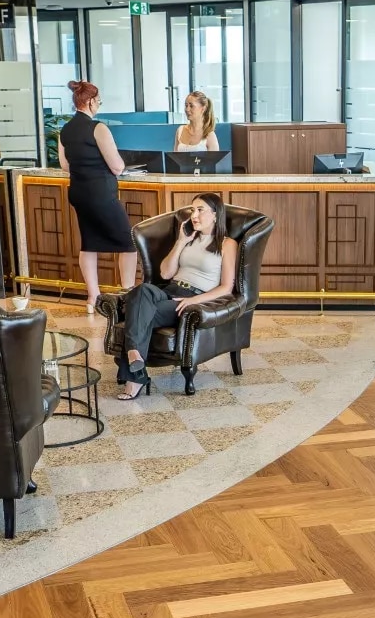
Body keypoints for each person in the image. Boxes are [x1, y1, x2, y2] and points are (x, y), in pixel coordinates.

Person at [112, 192, 240, 400]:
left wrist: (193, 300)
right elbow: (165, 273)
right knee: (142, 290)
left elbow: (226, 287)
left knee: (137, 315)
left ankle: (134, 376)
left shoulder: (227, 244)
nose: (194, 215)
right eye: (192, 210)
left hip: (191, 298)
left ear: (216, 215)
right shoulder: (188, 238)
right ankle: (135, 361)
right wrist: (181, 241)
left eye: (200, 210)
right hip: (168, 290)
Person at [57, 79, 137, 309]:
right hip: (101, 193)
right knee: (128, 243)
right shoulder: (98, 128)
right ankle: (128, 295)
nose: (99, 105)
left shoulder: (65, 129)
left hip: (79, 193)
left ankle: (93, 297)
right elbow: (117, 167)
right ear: (90, 102)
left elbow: (65, 164)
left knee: (89, 243)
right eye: (99, 101)